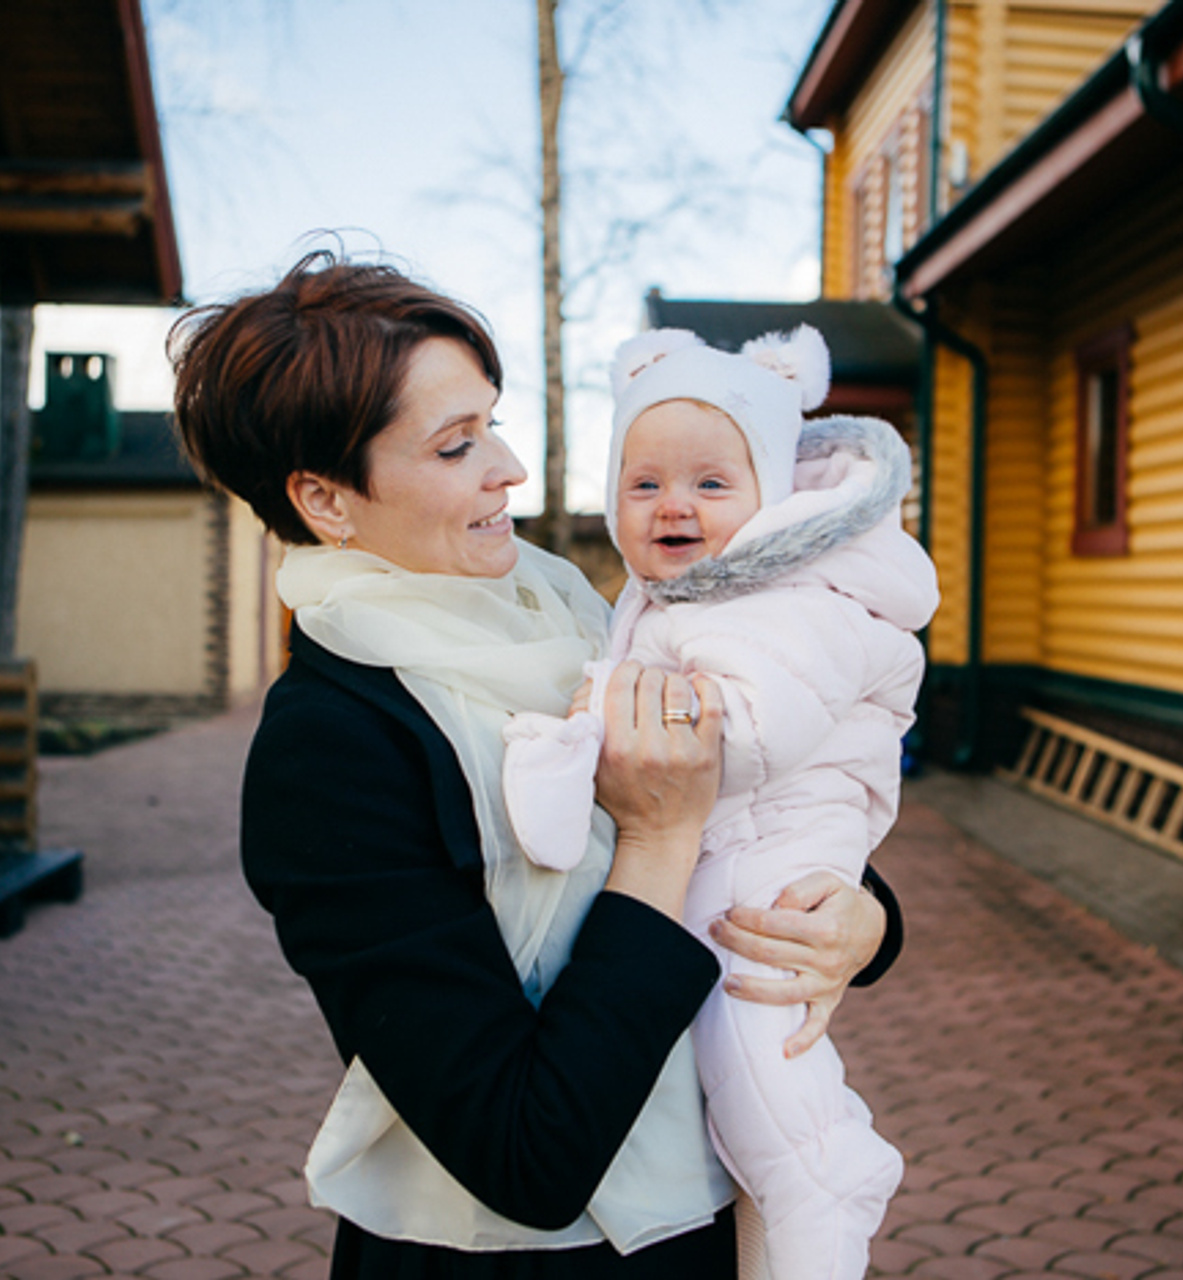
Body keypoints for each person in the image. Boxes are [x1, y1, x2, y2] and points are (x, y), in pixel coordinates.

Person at [168, 251, 904, 1280]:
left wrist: (863, 921)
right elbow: (521, 1153)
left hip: (696, 1221)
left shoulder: (572, 611)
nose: (509, 465)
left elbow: (747, 807)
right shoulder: (329, 747)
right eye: (456, 444)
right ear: (327, 500)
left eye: (493, 421)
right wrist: (653, 837)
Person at [503, 325, 939, 1279]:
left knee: (757, 1071)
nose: (674, 507)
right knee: (739, 1102)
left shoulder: (794, 594)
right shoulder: (665, 599)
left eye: (711, 484)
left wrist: (597, 725)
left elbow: (735, 740)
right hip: (728, 854)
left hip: (769, 861)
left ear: (770, 497)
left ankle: (833, 1184)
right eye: (645, 483)